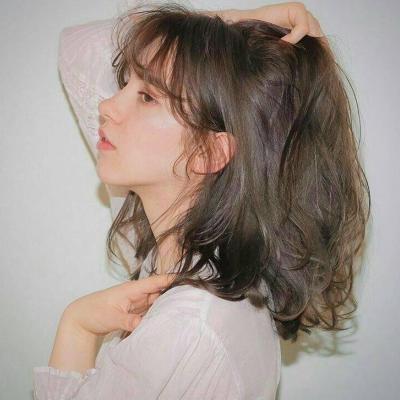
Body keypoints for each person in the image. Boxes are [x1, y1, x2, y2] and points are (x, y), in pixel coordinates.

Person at [33, 2, 370, 399]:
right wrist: (233, 27)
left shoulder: (186, 330)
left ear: (209, 153)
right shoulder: (206, 264)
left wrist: (76, 327)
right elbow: (79, 47)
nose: (108, 105)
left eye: (147, 97)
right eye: (125, 82)